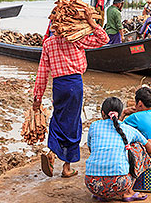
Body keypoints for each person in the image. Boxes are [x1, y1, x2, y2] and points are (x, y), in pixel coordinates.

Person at [34, 13, 109, 178]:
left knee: (58, 118)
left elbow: (42, 73)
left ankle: (53, 152)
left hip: (59, 86)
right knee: (73, 123)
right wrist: (92, 22)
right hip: (74, 84)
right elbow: (104, 39)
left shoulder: (48, 43)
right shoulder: (77, 38)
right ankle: (66, 167)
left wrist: (37, 99)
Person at [85, 97, 151, 202]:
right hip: (120, 185)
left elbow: (91, 149)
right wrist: (149, 142)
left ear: (103, 113)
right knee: (137, 147)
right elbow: (150, 150)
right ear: (120, 112)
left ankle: (103, 195)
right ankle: (128, 193)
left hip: (92, 184)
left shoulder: (94, 126)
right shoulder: (129, 129)